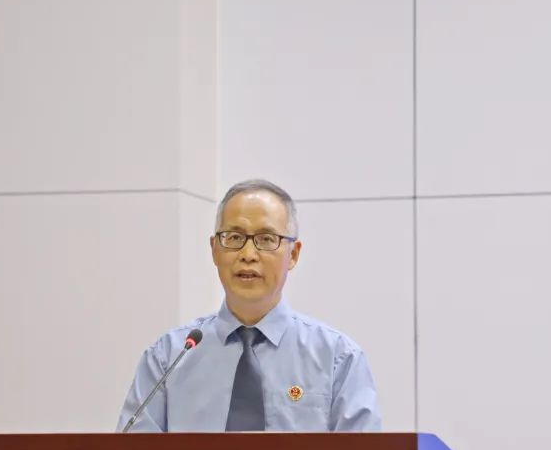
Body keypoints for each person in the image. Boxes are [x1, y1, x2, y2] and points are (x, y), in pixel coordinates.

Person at [116, 179, 381, 432]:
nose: (248, 255)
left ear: (293, 254)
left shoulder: (337, 358)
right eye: (234, 237)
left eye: (266, 239)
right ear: (214, 249)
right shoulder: (169, 357)